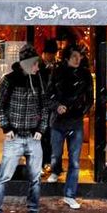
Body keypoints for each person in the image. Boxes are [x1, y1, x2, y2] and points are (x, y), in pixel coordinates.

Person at [0, 44, 47, 213]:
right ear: (28, 63)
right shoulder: (9, 80)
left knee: (35, 178)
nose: (38, 67)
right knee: (4, 177)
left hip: (33, 137)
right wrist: (6, 127)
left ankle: (33, 208)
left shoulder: (38, 80)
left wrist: (41, 129)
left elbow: (44, 107)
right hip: (14, 137)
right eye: (35, 64)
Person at [46, 44, 93, 210]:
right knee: (56, 153)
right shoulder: (57, 72)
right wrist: (56, 106)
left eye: (79, 57)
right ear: (67, 58)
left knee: (74, 160)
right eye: (74, 56)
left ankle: (70, 194)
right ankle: (56, 170)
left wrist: (81, 111)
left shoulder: (85, 74)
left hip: (75, 121)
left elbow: (90, 98)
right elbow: (48, 94)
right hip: (58, 121)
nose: (77, 59)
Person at [39, 38, 59, 173]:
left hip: (51, 105)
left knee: (51, 135)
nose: (52, 57)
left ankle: (49, 162)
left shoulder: (55, 66)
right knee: (42, 134)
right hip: (41, 105)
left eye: (54, 54)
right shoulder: (39, 66)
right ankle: (42, 163)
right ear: (45, 53)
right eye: (51, 54)